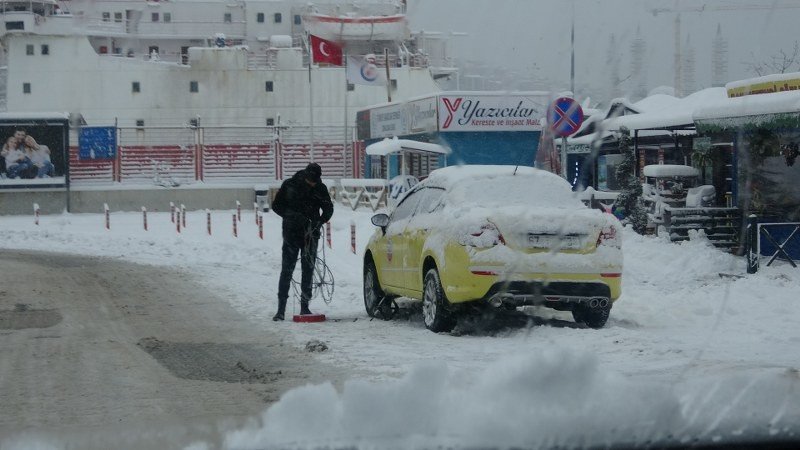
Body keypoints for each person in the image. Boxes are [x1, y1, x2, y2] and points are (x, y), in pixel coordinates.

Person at [271, 162, 334, 321]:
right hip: (291, 233)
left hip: (311, 234)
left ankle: (305, 306)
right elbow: (276, 206)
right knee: (287, 270)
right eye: (312, 180)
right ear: (306, 175)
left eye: (316, 180)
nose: (314, 183)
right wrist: (293, 216)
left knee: (308, 270)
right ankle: (280, 310)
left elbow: (328, 208)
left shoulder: (320, 188)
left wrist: (321, 220)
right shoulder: (290, 185)